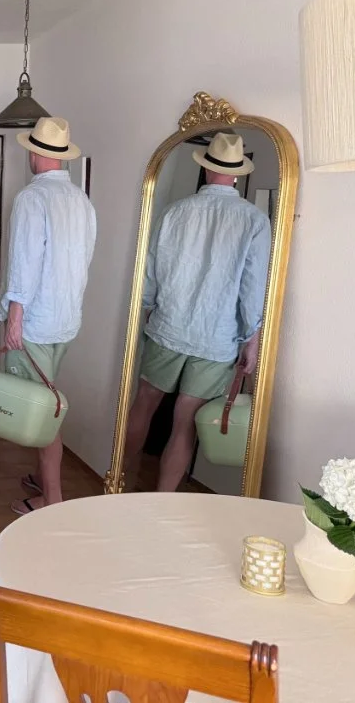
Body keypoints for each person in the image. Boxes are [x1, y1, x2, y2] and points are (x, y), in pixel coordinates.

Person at [123, 132, 271, 491]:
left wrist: (147, 306)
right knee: (185, 422)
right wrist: (251, 338)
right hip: (216, 337)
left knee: (143, 405)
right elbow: (253, 289)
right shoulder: (253, 221)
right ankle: (163, 500)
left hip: (167, 325)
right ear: (237, 175)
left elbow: (151, 270)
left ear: (205, 170)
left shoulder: (175, 212)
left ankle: (120, 481)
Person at [0, 116, 97, 516]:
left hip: (36, 321)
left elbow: (26, 263)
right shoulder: (81, 201)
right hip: (66, 319)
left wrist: (15, 317)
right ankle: (43, 479)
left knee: (44, 411)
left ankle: (51, 501)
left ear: (36, 153)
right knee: (48, 395)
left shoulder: (32, 198)